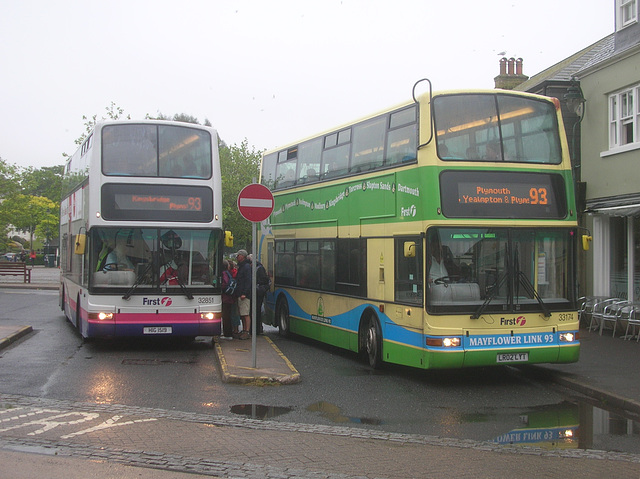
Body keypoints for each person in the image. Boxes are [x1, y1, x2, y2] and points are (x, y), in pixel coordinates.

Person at [249, 254, 270, 334]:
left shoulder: (259, 269)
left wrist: (256, 285)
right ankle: (256, 328)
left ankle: (256, 329)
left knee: (256, 310)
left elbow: (263, 280)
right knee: (255, 311)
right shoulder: (258, 268)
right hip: (257, 292)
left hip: (258, 293)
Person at [234, 249, 252, 340]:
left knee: (245, 313)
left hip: (244, 295)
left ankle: (246, 331)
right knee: (242, 314)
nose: (237, 257)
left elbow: (248, 281)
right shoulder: (242, 266)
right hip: (240, 293)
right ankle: (244, 330)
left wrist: (245, 293)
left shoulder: (246, 267)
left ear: (243, 256)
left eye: (239, 255)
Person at [220, 260, 236, 340]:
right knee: (227, 315)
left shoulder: (224, 274)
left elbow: (224, 284)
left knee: (226, 316)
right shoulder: (228, 273)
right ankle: (228, 333)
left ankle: (228, 334)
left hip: (226, 298)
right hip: (229, 297)